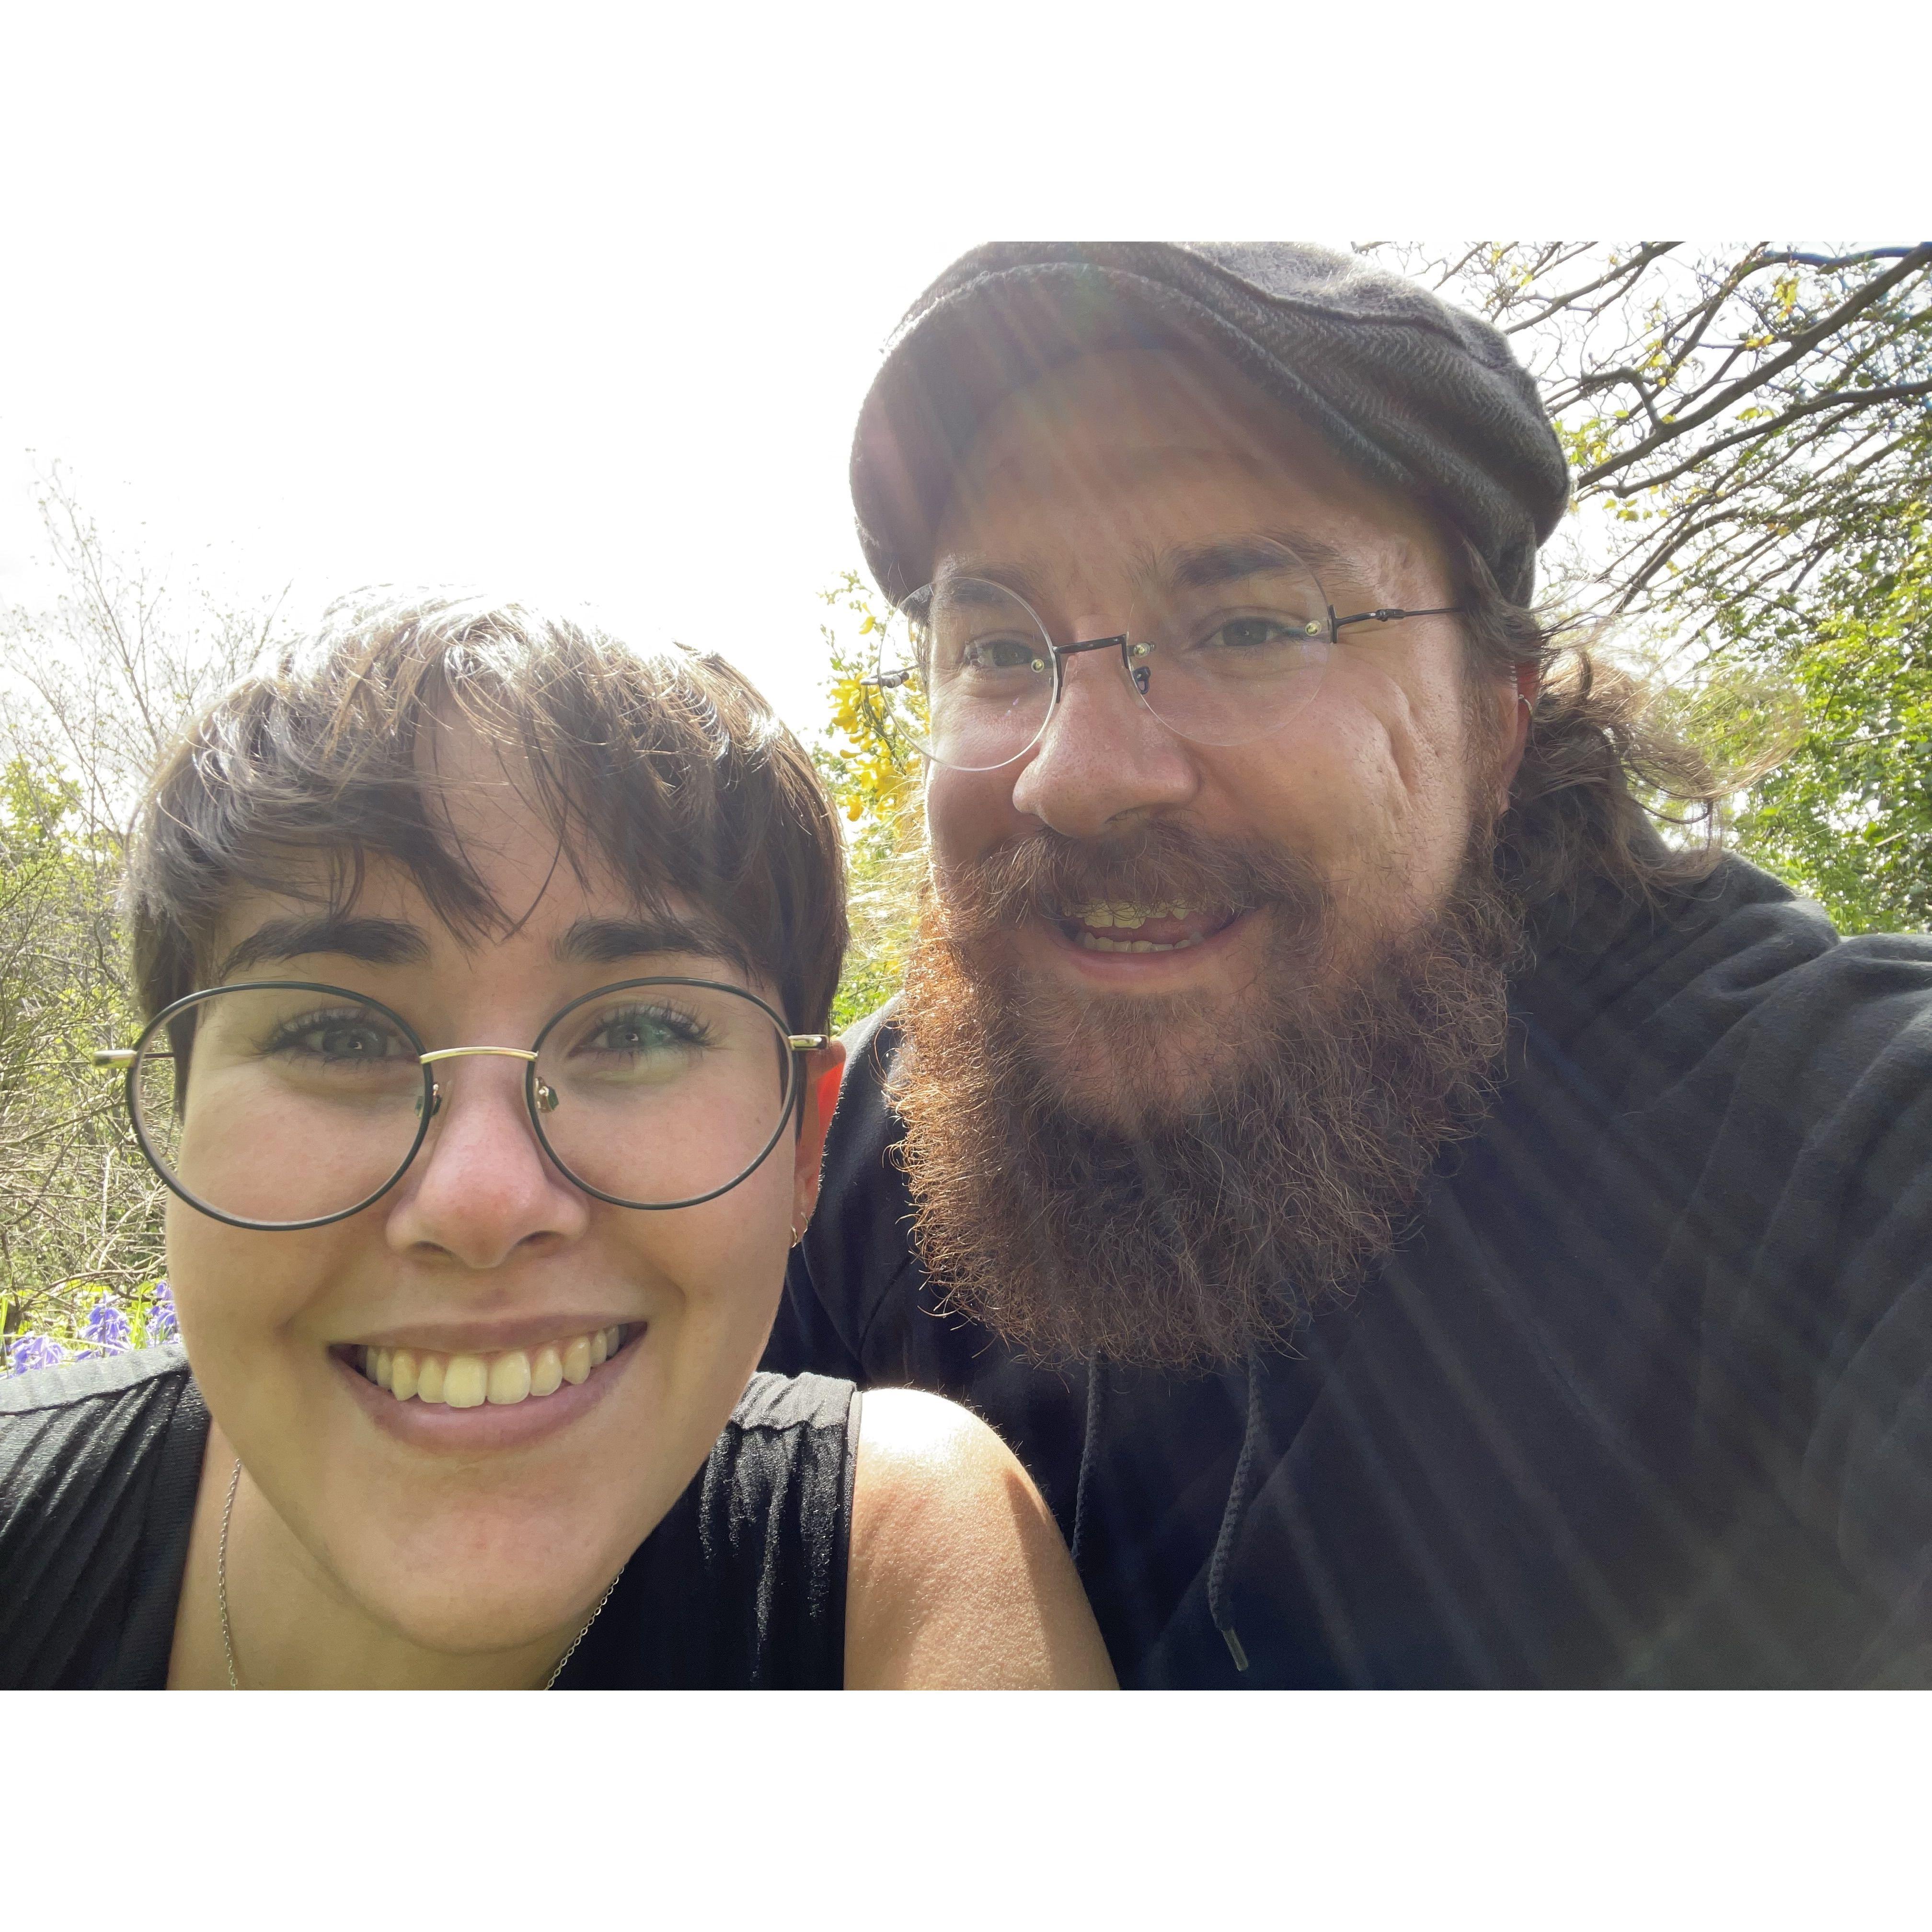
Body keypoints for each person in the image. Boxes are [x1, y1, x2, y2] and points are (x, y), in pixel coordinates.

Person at [766, 242, 1932, 1687]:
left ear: (1499, 719)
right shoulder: (867, 1143)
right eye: (997, 645)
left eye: (1251, 626)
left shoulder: (1815, 1133)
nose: (1076, 777)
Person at [0, 595, 1114, 1690]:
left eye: (639, 1029)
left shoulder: (898, 1572)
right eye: (335, 1034)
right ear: (180, 1116)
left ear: (804, 1141)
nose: (482, 1200)